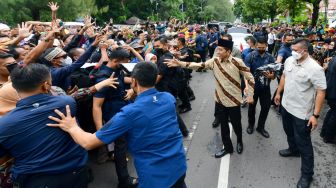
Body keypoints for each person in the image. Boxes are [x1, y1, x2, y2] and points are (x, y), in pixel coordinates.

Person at [47, 62, 187, 188]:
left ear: (134, 81)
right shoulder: (168, 98)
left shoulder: (129, 113)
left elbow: (88, 143)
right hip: (179, 166)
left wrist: (72, 126)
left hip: (156, 178)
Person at [0, 64, 89, 187]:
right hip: (75, 172)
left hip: (34, 180)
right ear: (46, 85)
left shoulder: (4, 123)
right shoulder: (66, 103)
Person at [165, 38, 255, 158]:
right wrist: (180, 63)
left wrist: (250, 95)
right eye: (217, 49)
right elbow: (199, 65)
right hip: (220, 100)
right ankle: (228, 148)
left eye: (220, 50)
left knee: (236, 124)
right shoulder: (214, 61)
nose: (217, 52)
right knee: (223, 126)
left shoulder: (237, 62)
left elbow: (250, 78)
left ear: (228, 51)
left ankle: (239, 141)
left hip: (234, 100)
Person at [274, 38, 326, 188]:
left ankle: (307, 175)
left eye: (296, 50)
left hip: (302, 112)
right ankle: (292, 149)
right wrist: (278, 93)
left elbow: (321, 91)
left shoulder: (315, 68)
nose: (292, 52)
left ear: (304, 51)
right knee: (288, 131)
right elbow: (284, 76)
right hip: (286, 106)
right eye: (292, 49)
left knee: (304, 143)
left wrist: (315, 115)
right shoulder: (290, 60)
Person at [91, 48, 138, 187]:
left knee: (125, 144)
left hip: (124, 109)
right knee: (121, 147)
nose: (125, 65)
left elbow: (125, 80)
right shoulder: (104, 78)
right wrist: (100, 132)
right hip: (114, 115)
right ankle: (124, 181)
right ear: (115, 60)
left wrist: (131, 89)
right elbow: (96, 106)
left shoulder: (117, 70)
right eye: (124, 62)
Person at [245, 37, 275, 138]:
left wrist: (272, 76)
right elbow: (246, 73)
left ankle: (261, 127)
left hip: (265, 87)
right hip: (253, 87)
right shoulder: (250, 56)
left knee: (265, 108)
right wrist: (247, 87)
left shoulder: (270, 58)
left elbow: (274, 74)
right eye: (259, 47)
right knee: (252, 108)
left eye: (263, 47)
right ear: (256, 45)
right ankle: (251, 125)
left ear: (266, 46)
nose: (261, 49)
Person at [320, 56, 336, 144]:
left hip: (330, 90)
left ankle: (324, 133)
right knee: (334, 115)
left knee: (332, 112)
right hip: (333, 92)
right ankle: (328, 136)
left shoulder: (333, 58)